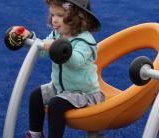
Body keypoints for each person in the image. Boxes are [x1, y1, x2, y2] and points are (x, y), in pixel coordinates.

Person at [10, 0, 105, 138]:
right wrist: (29, 37)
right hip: (60, 89)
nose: (54, 20)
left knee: (56, 105)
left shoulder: (84, 40)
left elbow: (77, 62)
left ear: (77, 18)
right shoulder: (57, 34)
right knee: (36, 96)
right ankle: (35, 134)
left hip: (84, 94)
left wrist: (58, 47)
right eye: (52, 15)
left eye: (60, 15)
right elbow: (42, 50)